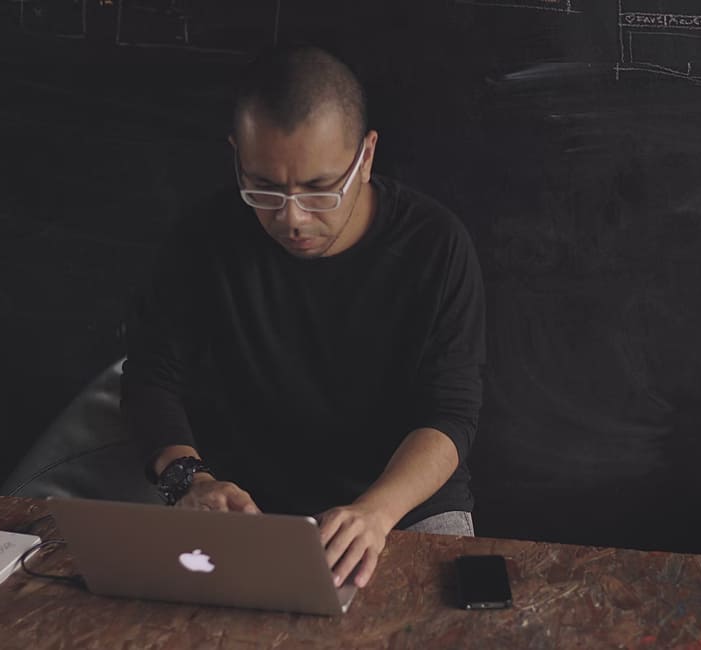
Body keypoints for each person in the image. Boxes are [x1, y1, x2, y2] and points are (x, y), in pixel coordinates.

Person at [120, 44, 486, 591]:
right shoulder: (203, 239)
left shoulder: (435, 245)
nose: (291, 218)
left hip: (405, 506)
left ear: (366, 156)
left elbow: (451, 415)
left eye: (319, 190)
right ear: (237, 155)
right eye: (264, 188)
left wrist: (376, 513)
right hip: (251, 511)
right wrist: (190, 480)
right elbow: (150, 378)